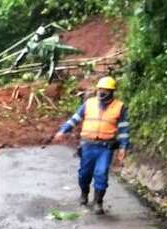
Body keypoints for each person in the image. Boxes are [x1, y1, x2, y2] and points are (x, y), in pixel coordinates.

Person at [54, 77, 131, 215]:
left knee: (101, 174)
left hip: (105, 147)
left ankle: (98, 202)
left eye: (106, 90)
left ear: (112, 92)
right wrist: (62, 131)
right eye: (100, 89)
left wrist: (123, 147)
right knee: (84, 174)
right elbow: (75, 119)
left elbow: (123, 129)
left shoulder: (119, 107)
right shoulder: (89, 104)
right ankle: (84, 194)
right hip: (87, 145)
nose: (102, 92)